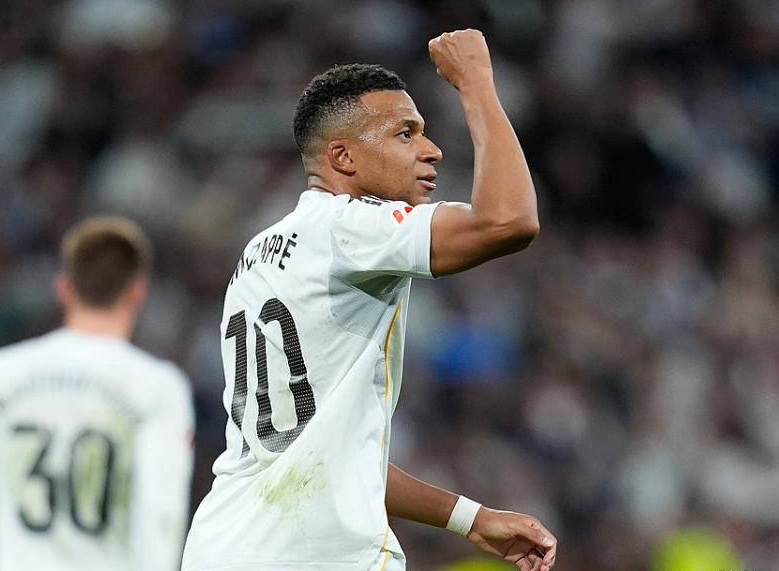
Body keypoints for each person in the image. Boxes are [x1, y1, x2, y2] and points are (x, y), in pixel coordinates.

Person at [182, 29, 556, 571]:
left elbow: (331, 459)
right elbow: (509, 221)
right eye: (406, 133)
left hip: (223, 545)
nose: (431, 150)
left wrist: (471, 518)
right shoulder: (348, 227)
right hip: (319, 555)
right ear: (343, 157)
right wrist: (475, 81)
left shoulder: (259, 253)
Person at [0, 216, 195, 571]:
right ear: (137, 292)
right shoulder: (158, 387)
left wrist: (6, 554)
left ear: (64, 287)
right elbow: (161, 518)